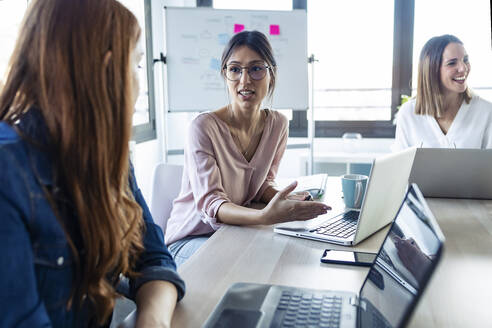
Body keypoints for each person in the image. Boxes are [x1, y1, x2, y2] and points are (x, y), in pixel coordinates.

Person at [0, 0, 184, 327]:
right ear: (107, 69)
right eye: (137, 64)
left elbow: (154, 258)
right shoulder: (7, 173)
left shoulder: (104, 156)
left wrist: (152, 319)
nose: (139, 85)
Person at [165, 30, 330, 266]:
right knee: (249, 261)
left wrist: (285, 202)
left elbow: (262, 184)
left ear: (271, 74)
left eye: (256, 68)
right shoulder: (202, 127)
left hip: (235, 231)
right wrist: (264, 216)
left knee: (289, 253)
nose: (245, 80)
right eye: (235, 69)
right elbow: (212, 205)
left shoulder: (278, 124)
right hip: (191, 239)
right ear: (225, 75)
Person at [392, 34, 492, 151]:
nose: (463, 68)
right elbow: (401, 166)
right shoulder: (408, 113)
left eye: (465, 60)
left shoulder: (486, 111)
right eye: (452, 63)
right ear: (431, 70)